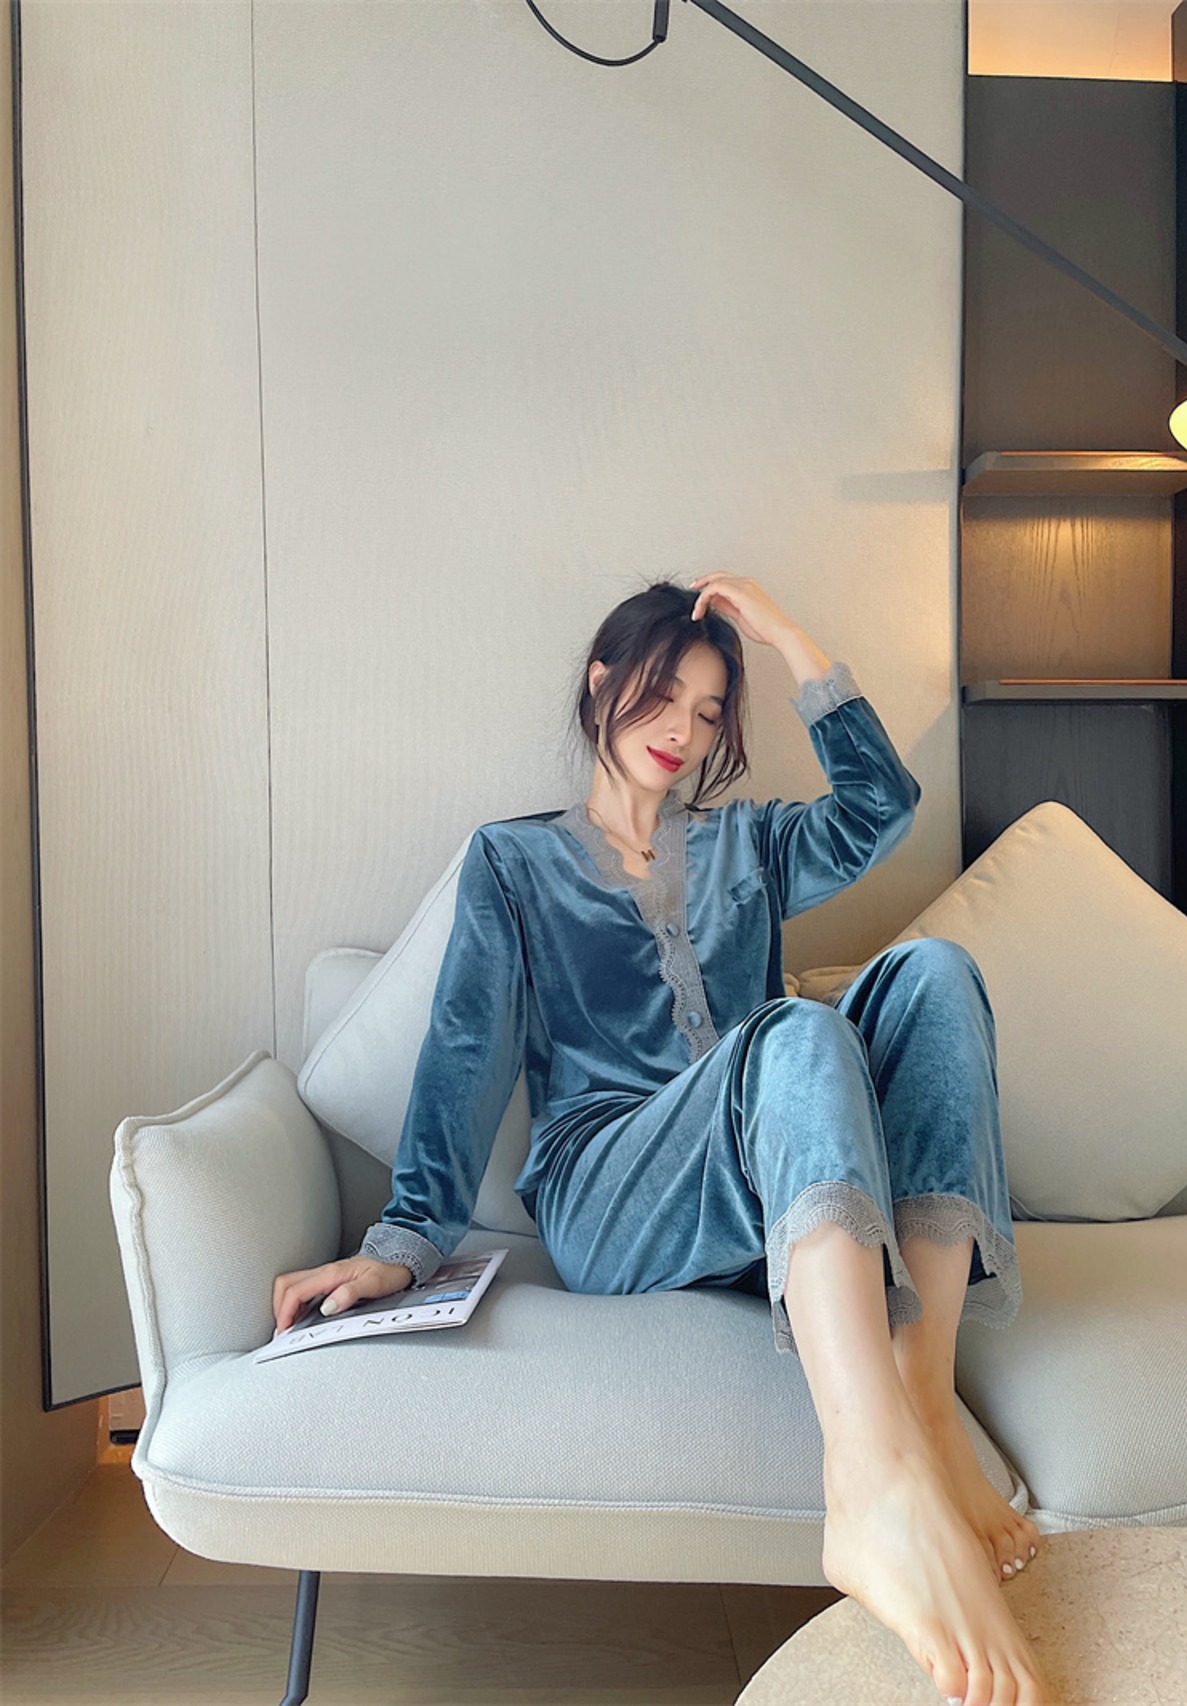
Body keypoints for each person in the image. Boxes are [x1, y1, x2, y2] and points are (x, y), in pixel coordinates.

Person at [274, 573, 1050, 1706]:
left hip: (764, 1185)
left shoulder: (749, 844)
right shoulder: (514, 862)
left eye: (707, 708)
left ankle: (923, 1408)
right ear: (601, 681)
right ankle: (868, 1483)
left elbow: (880, 805)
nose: (681, 728)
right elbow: (465, 1053)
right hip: (611, 1190)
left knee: (933, 973)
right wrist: (402, 1241)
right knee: (793, 1029)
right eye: (659, 693)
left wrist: (786, 635)